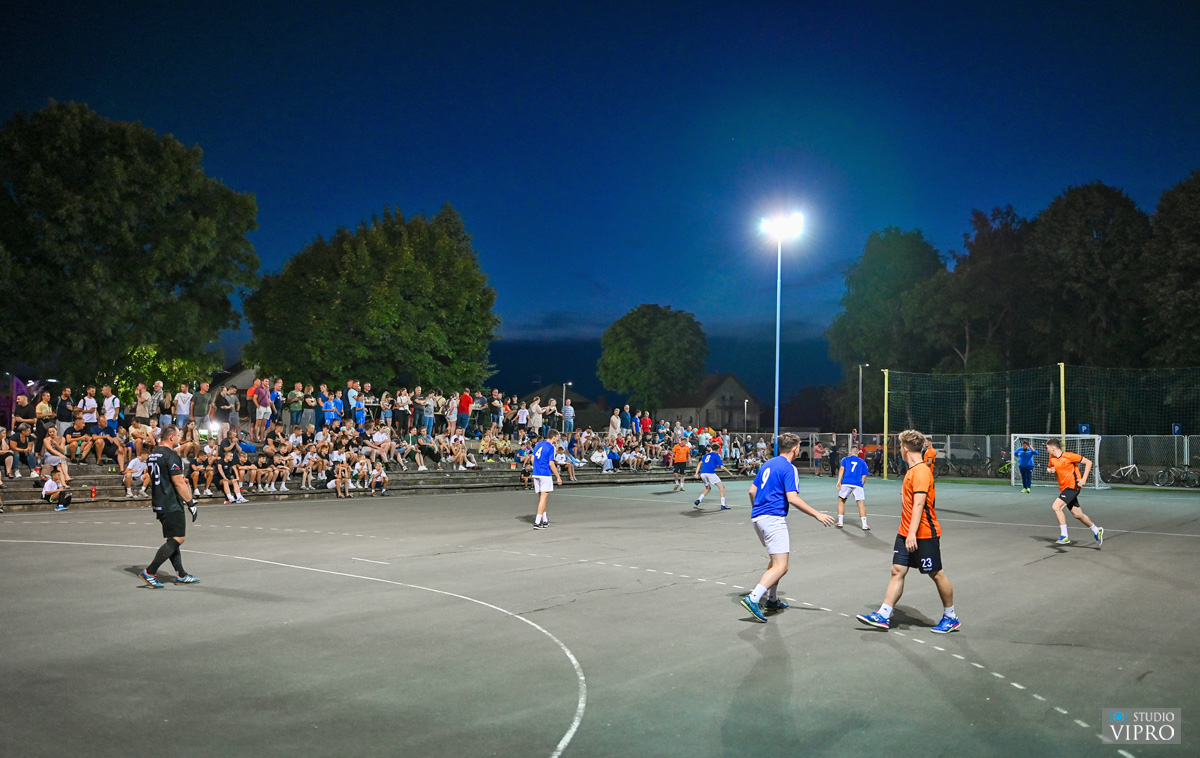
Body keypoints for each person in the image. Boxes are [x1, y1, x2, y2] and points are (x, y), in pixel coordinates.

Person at [856, 430, 960, 633]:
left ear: (904, 449)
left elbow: (919, 504)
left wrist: (912, 534)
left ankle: (951, 617)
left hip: (924, 533)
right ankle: (883, 614)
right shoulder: (912, 471)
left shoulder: (921, 471)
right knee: (897, 570)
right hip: (906, 531)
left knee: (936, 573)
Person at [739, 433, 836, 622]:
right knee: (782, 566)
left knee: (775, 562)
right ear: (795, 448)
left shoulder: (767, 464)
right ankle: (753, 598)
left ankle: (772, 600)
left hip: (758, 517)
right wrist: (817, 514)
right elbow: (792, 498)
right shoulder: (789, 468)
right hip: (773, 518)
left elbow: (752, 491)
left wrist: (759, 511)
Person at [138, 424, 200, 587]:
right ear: (171, 437)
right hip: (170, 502)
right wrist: (190, 502)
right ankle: (150, 571)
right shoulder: (171, 455)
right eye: (178, 435)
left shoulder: (153, 454)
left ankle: (181, 574)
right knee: (178, 538)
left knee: (172, 538)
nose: (180, 439)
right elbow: (178, 482)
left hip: (159, 500)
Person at [1045, 439, 1102, 546]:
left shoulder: (1070, 456)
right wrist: (1051, 470)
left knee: (1056, 507)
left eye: (1047, 448)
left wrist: (1084, 479)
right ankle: (1096, 530)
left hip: (1073, 486)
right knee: (1077, 514)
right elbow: (1049, 468)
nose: (1047, 450)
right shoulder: (1052, 458)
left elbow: (1089, 462)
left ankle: (1064, 536)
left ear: (1053, 448)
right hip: (1064, 488)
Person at [531, 428, 563, 530]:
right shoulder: (551, 447)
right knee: (543, 498)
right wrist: (558, 476)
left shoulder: (538, 444)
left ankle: (544, 520)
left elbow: (532, 459)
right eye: (557, 437)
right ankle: (537, 522)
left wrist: (537, 467)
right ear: (553, 437)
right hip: (545, 474)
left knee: (542, 498)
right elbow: (551, 463)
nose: (557, 439)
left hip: (536, 473)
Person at [835, 444, 871, 530]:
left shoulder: (845, 459)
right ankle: (864, 524)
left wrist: (839, 481)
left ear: (850, 452)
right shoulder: (862, 462)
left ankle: (840, 522)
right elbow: (864, 475)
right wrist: (861, 485)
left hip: (846, 482)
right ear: (858, 452)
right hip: (857, 484)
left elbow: (841, 469)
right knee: (861, 504)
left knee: (841, 501)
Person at [693, 443, 732, 509]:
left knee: (708, 488)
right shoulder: (717, 455)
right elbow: (722, 467)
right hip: (710, 473)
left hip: (703, 474)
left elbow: (699, 464)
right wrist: (729, 472)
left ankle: (698, 500)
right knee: (722, 488)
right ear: (718, 449)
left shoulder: (706, 455)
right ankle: (723, 505)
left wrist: (696, 473)